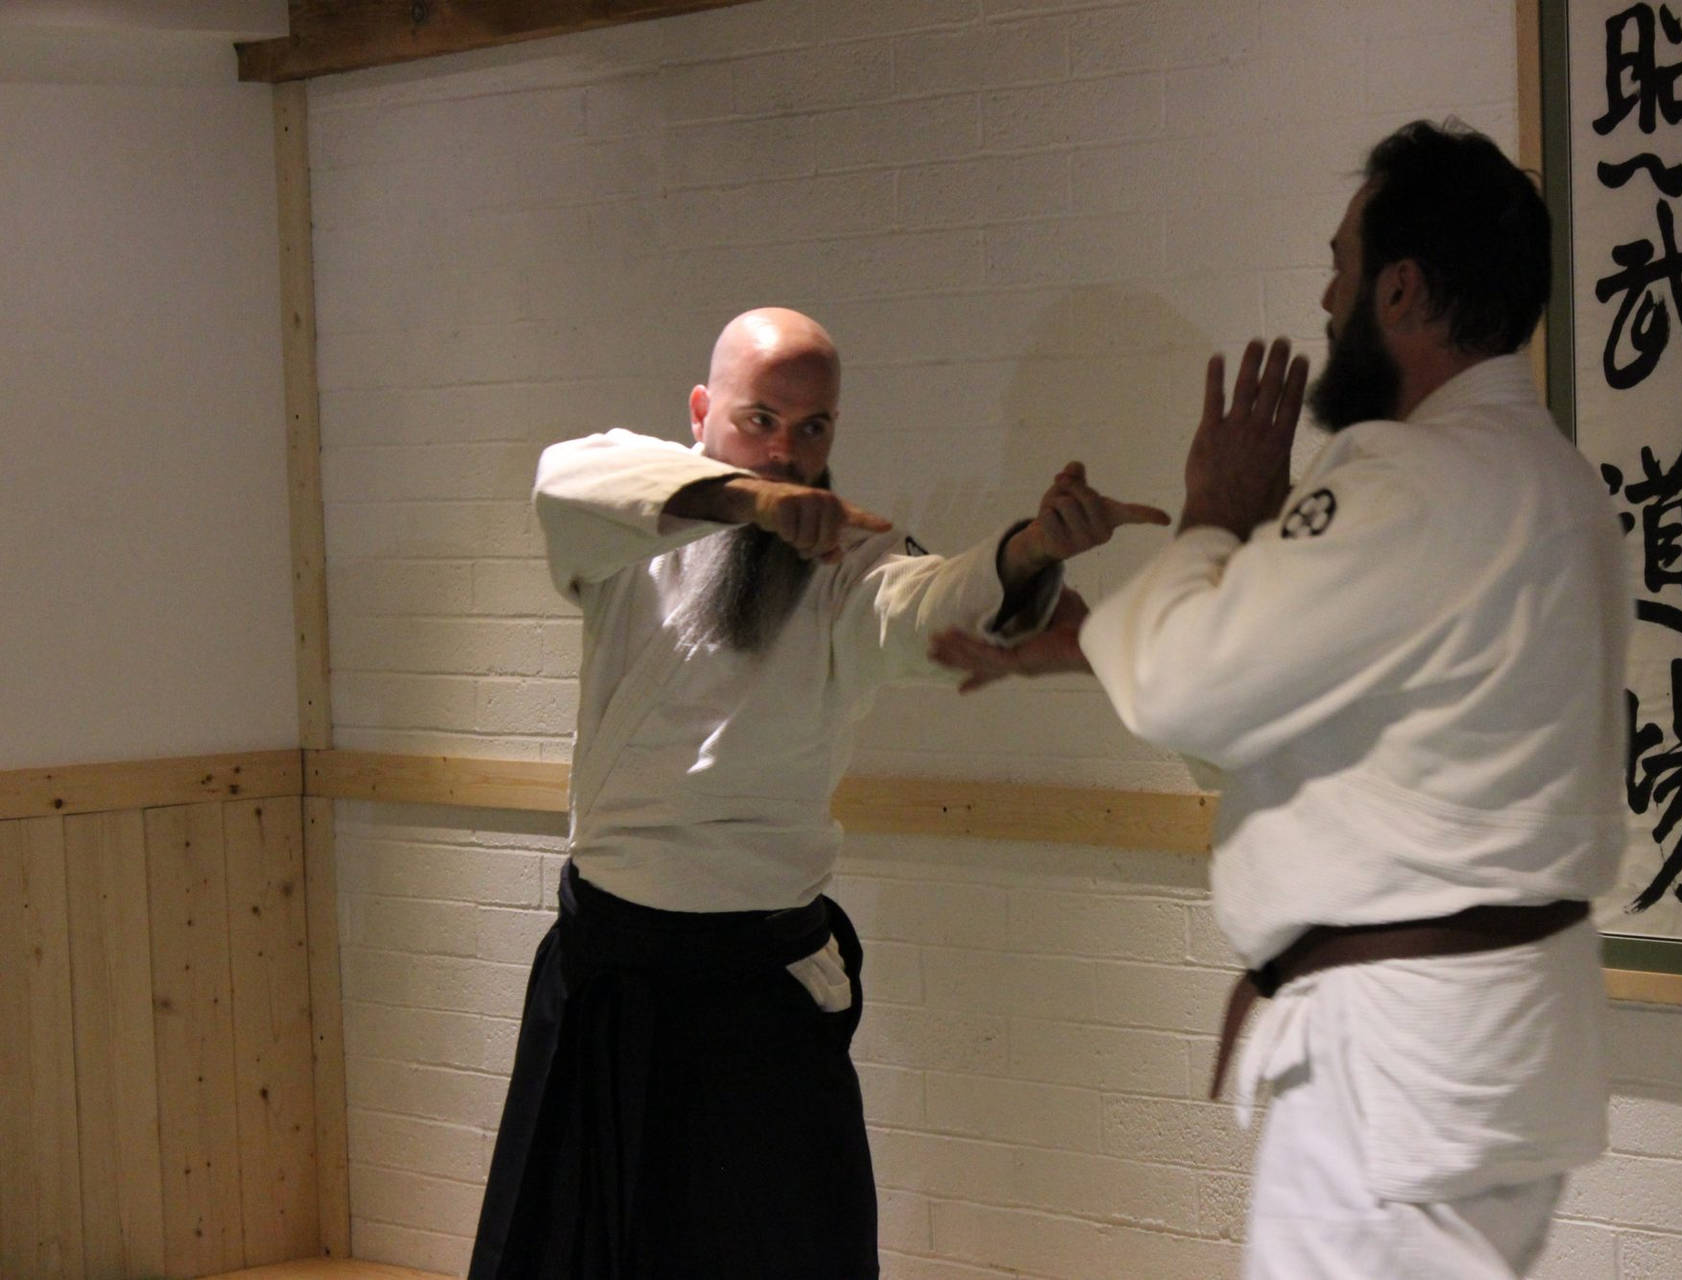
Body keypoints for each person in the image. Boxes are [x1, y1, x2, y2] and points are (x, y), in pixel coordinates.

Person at [933, 120, 1627, 1279]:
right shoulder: (1545, 477)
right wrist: (1096, 636)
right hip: (1486, 1045)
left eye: (1343, 266)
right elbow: (1318, 688)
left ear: (1400, 291)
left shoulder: (1410, 476)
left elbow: (1194, 690)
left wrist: (1217, 506)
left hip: (1395, 1067)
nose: (1326, 295)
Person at [466, 306, 1167, 1280]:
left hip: (758, 987)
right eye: (761, 419)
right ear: (703, 410)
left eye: (813, 428)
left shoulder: (853, 562)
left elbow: (925, 597)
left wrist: (1026, 554)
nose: (788, 452)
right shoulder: (634, 530)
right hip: (609, 970)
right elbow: (564, 475)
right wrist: (746, 500)